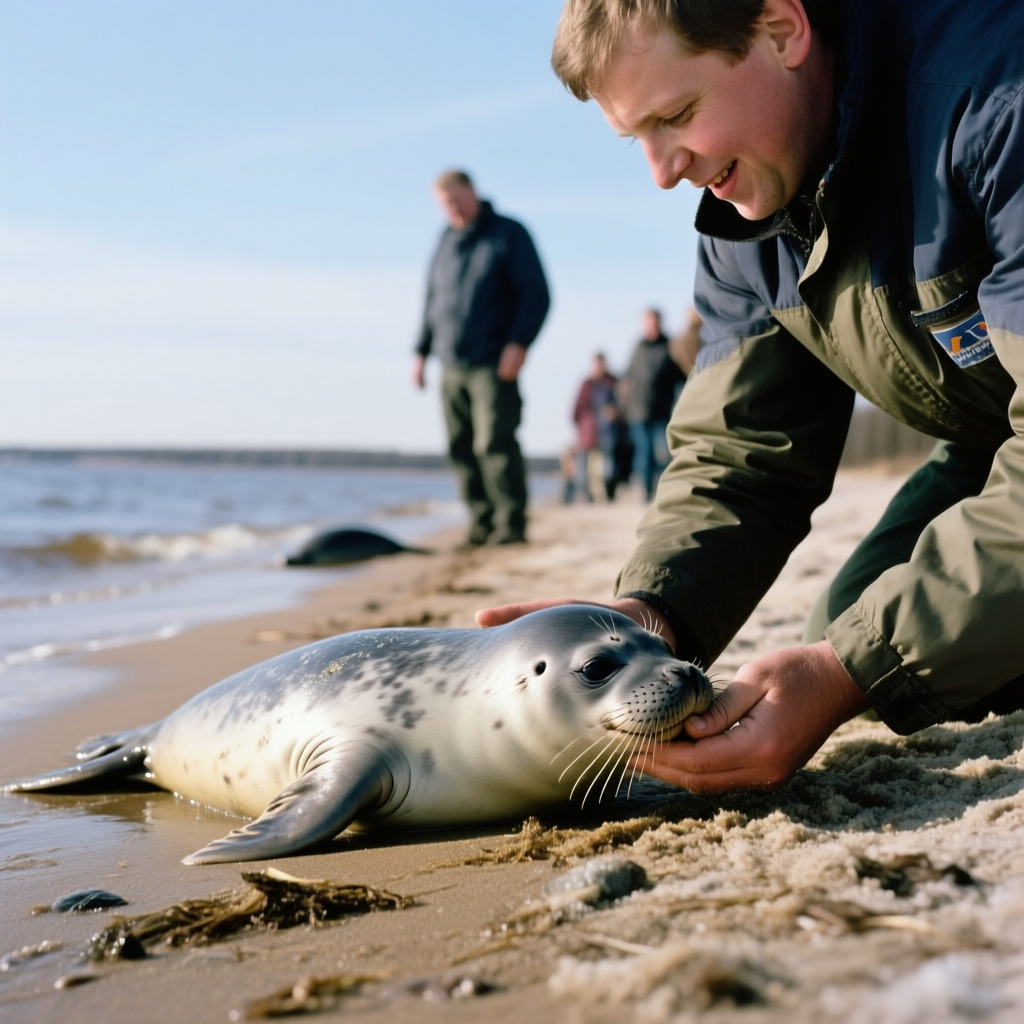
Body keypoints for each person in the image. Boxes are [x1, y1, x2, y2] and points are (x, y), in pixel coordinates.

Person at [478, 0, 1024, 794]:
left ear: (782, 28)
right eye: (638, 137)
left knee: (873, 658)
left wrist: (845, 674)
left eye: (678, 115)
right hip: (993, 438)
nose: (663, 172)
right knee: (851, 629)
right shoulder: (747, 208)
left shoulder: (997, 103)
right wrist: (651, 616)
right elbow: (744, 452)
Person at [413, 170, 550, 546]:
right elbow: (432, 301)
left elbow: (536, 294)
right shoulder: (444, 239)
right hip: (449, 362)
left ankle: (510, 524)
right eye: (445, 204)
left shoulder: (509, 233)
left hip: (493, 360)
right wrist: (420, 352)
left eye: (457, 200)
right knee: (460, 446)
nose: (453, 209)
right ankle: (480, 521)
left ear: (473, 192)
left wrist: (519, 343)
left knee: (493, 442)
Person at [621, 308, 686, 500]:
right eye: (647, 322)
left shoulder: (670, 346)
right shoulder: (638, 347)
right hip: (638, 412)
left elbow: (681, 377)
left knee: (664, 453)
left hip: (662, 410)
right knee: (644, 454)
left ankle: (666, 491)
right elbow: (628, 376)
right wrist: (623, 407)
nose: (651, 326)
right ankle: (647, 493)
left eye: (654, 322)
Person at [571, 352, 624, 502]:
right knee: (584, 467)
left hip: (609, 432)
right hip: (588, 431)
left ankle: (609, 494)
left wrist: (615, 412)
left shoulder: (613, 382)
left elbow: (623, 404)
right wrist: (579, 429)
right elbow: (577, 409)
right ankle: (585, 495)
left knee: (609, 467)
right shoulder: (586, 384)